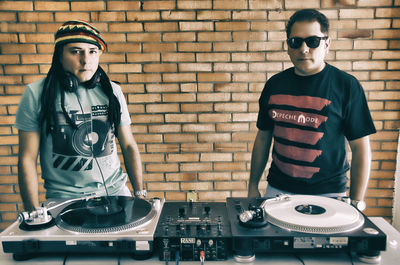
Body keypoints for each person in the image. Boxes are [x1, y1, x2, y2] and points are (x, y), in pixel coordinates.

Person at [247, 9, 376, 210]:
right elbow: (263, 137)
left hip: (330, 194)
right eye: (295, 42)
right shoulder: (274, 85)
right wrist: (253, 185)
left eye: (313, 41)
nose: (304, 49)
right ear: (288, 47)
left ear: (327, 44)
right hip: (278, 192)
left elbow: (361, 148)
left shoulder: (346, 86)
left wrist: (356, 202)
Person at [15, 20, 146, 212]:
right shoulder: (36, 94)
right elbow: (27, 158)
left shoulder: (113, 92)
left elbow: (128, 145)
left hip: (116, 195)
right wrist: (32, 211)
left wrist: (140, 194)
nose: (86, 60)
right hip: (64, 201)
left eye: (92, 51)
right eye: (76, 52)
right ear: (59, 55)